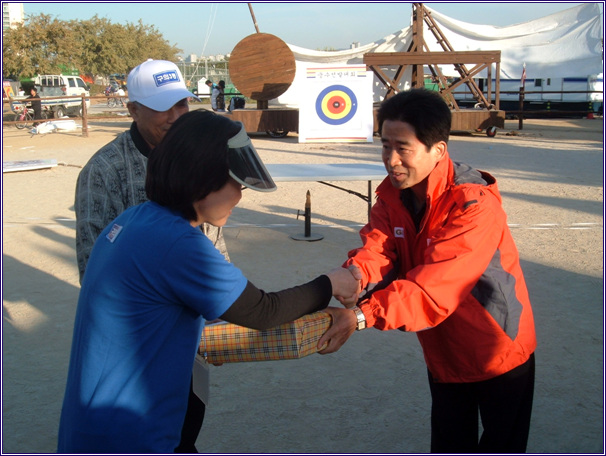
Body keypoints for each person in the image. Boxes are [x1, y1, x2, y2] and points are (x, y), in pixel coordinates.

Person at [58, 110, 361, 453]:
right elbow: (262, 311)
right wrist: (331, 283)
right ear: (203, 178)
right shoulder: (177, 242)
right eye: (235, 183)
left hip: (97, 424)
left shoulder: (136, 219)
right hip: (131, 432)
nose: (240, 196)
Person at [319, 88, 537, 453]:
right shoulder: (392, 195)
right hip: (443, 349)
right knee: (450, 443)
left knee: (502, 445)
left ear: (438, 150)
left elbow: (434, 288)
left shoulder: (473, 204)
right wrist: (355, 274)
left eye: (403, 147)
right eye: (385, 144)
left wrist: (360, 316)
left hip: (497, 347)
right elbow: (379, 248)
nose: (391, 159)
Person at [74, 59, 226, 453]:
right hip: (138, 351)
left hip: (193, 341)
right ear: (132, 109)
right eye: (164, 107)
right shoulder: (103, 171)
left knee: (187, 430)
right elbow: (95, 271)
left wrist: (222, 310)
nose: (177, 117)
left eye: (182, 104)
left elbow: (215, 247)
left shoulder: (198, 162)